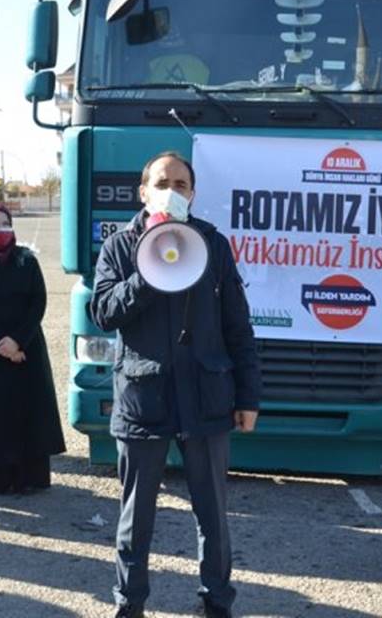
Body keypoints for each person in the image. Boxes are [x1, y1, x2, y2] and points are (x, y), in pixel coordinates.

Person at [91, 152, 261, 618]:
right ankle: (129, 603)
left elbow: (237, 326)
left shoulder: (213, 244)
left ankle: (217, 602)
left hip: (205, 398)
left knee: (213, 515)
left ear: (193, 193)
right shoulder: (120, 247)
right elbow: (103, 312)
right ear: (143, 192)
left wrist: (248, 395)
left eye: (181, 184)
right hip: (143, 400)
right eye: (162, 183)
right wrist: (148, 274)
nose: (172, 191)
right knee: (136, 517)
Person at [0, 203, 65, 494]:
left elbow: (38, 302)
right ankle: (1, 479)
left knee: (29, 411)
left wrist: (17, 341)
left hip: (26, 348)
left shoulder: (26, 260)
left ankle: (32, 477)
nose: (0, 229)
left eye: (5, 223)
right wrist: (0, 342)